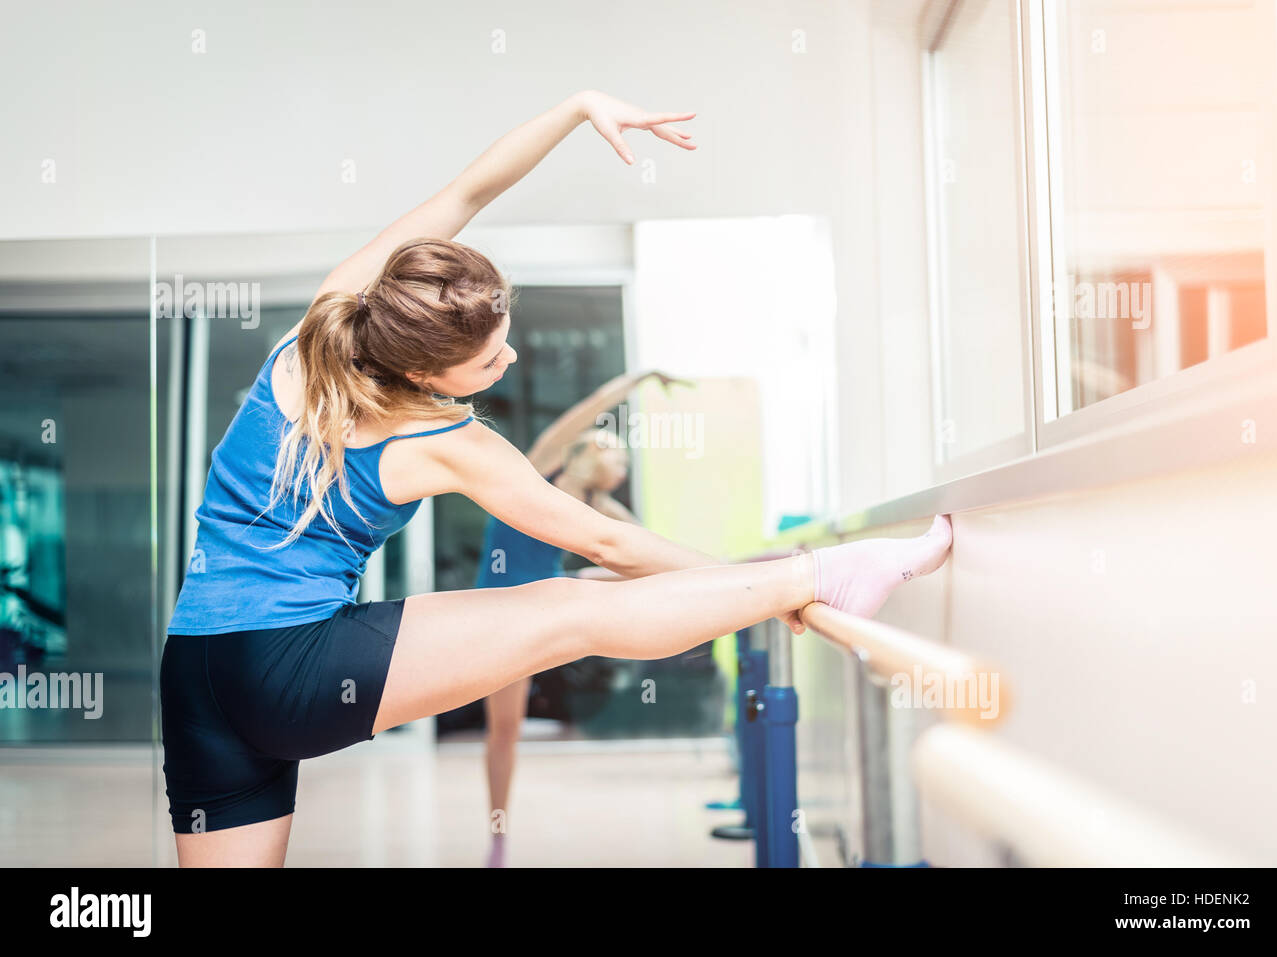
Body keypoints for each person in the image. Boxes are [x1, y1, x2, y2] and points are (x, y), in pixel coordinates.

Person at [160, 88, 954, 867]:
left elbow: (469, 190)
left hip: (193, 673)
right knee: (574, 607)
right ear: (427, 370)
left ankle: (805, 577)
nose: (507, 359)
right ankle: (828, 570)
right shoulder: (442, 438)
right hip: (290, 663)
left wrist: (577, 109)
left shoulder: (314, 335)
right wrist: (785, 588)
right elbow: (608, 541)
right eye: (487, 360)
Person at [475, 370, 688, 867]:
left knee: (638, 575)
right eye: (616, 455)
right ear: (589, 452)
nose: (622, 466)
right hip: (498, 611)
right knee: (504, 729)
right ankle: (498, 833)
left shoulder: (600, 506)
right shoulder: (538, 470)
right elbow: (591, 405)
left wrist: (727, 574)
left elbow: (654, 554)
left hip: (550, 606)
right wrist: (642, 377)